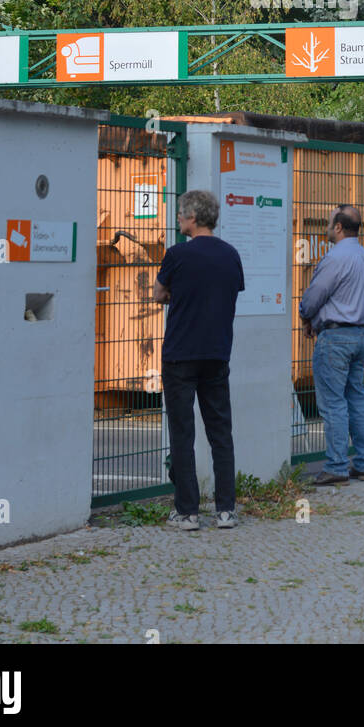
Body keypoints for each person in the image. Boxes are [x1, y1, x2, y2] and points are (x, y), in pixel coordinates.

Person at [154, 189, 245, 529]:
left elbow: (158, 292)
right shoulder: (231, 254)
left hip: (180, 354)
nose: (178, 219)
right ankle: (225, 510)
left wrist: (179, 296)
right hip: (218, 353)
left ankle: (188, 511)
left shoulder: (177, 254)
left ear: (193, 217)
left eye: (180, 214)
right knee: (220, 431)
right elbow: (231, 290)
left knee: (183, 433)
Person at [299, 204, 364, 485]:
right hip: (360, 335)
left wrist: (306, 316)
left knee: (333, 403)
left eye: (329, 221)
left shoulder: (334, 258)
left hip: (334, 338)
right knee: (356, 398)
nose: (327, 225)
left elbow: (315, 296)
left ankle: (336, 467)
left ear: (339, 227)